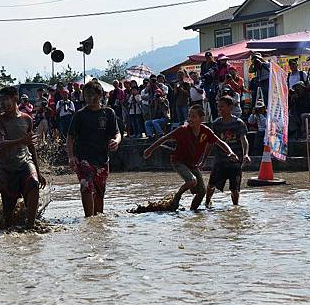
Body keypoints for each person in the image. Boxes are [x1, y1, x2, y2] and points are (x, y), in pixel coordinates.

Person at [131, 105, 238, 213]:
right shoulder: (182, 130)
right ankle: (176, 197)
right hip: (178, 161)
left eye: (193, 116)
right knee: (192, 181)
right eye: (189, 116)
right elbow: (164, 138)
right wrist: (149, 150)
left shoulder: (206, 131)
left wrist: (231, 152)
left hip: (192, 164)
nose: (190, 119)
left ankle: (193, 212)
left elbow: (220, 142)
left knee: (201, 192)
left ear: (202, 119)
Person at [0, 86, 46, 229]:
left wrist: (39, 172)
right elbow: (1, 144)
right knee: (8, 216)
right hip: (5, 167)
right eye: (1, 100)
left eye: (6, 99)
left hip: (25, 162)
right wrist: (21, 141)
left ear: (15, 99)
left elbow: (31, 146)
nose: (3, 103)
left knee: (34, 184)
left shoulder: (27, 119)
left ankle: (30, 226)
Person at [67, 80, 121, 217]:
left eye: (92, 95)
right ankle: (88, 219)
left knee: (99, 192)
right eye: (86, 95)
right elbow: (70, 137)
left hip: (102, 159)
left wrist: (116, 141)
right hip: (83, 158)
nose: (89, 98)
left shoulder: (108, 113)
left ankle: (97, 222)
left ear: (100, 95)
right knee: (86, 187)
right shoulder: (80, 115)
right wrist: (71, 156)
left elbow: (117, 132)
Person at [204, 96, 250, 207]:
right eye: (218, 107)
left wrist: (246, 154)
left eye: (222, 107)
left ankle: (235, 208)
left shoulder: (239, 123)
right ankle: (207, 202)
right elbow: (211, 143)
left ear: (230, 107)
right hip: (220, 161)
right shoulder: (216, 124)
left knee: (235, 189)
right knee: (211, 185)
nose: (219, 109)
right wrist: (203, 159)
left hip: (235, 162)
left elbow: (244, 140)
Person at [200, 51, 219, 120]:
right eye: (207, 57)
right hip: (206, 84)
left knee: (213, 101)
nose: (208, 58)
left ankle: (215, 118)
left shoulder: (214, 64)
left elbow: (213, 70)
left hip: (213, 84)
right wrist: (202, 76)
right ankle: (208, 118)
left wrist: (207, 74)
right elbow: (201, 72)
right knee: (207, 101)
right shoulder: (203, 64)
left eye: (209, 57)